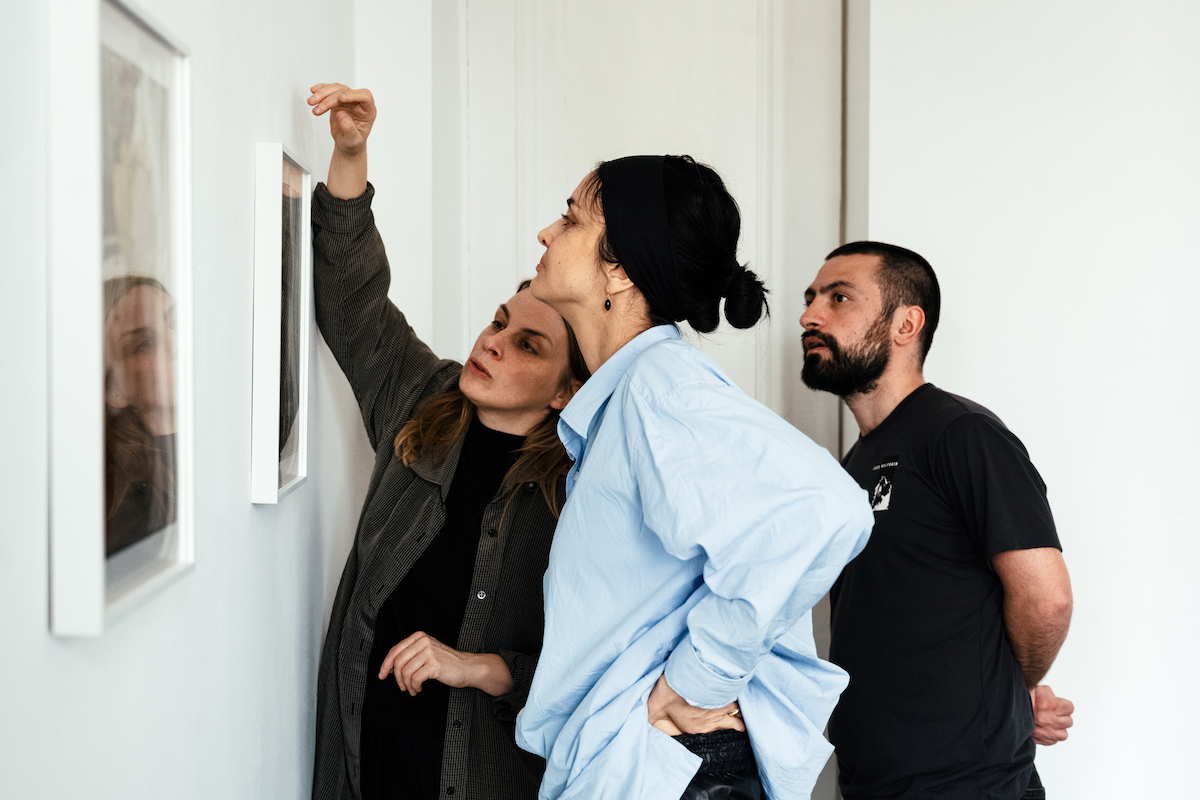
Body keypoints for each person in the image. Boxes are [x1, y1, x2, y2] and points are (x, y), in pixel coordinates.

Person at [514, 155, 875, 800]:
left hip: (678, 769)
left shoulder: (660, 386)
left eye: (570, 219)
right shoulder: (629, 398)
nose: (546, 233)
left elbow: (825, 511)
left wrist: (693, 684)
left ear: (619, 269)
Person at [306, 84, 589, 800]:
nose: (491, 344)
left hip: (479, 772)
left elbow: (587, 671)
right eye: (498, 321)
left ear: (564, 391)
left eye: (525, 344)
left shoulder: (581, 491)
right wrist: (350, 152)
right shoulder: (423, 400)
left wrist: (474, 666)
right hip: (366, 755)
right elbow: (352, 299)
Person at [798, 241, 1075, 800]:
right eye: (811, 299)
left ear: (906, 324)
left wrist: (1013, 689)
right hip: (871, 783)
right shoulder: (854, 463)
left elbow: (1047, 597)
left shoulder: (962, 434)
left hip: (968, 785)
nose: (809, 315)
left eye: (839, 297)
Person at [103, 275, 177, 556]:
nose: (177, 341)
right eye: (145, 344)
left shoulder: (227, 437)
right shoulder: (135, 501)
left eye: (175, 322)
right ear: (114, 391)